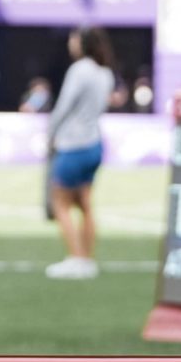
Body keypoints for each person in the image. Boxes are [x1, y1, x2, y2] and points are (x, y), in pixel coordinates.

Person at [44, 27, 117, 280]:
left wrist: (50, 133)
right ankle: (87, 258)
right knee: (85, 204)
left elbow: (64, 105)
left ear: (82, 44)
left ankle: (76, 258)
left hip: (73, 144)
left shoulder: (79, 70)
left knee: (60, 203)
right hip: (94, 143)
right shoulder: (105, 72)